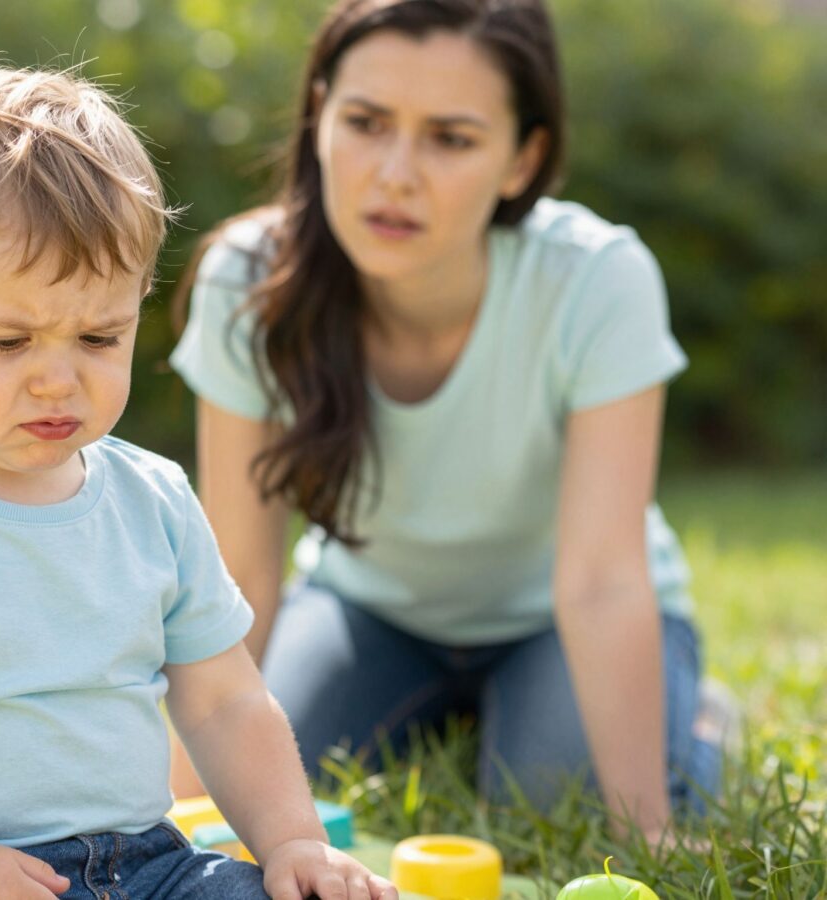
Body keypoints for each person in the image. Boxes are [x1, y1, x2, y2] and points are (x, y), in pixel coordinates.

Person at [0, 66, 397, 900]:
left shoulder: (152, 501)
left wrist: (294, 840)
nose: (59, 379)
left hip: (142, 866)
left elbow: (226, 702)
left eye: (98, 335)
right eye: (9, 343)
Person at [169, 0, 721, 842]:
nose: (395, 174)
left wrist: (645, 827)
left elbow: (602, 582)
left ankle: (700, 724)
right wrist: (182, 814)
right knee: (273, 787)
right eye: (365, 122)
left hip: (555, 615)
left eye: (450, 138)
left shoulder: (598, 279)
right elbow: (240, 571)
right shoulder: (250, 283)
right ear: (319, 117)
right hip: (367, 611)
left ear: (522, 158)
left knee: (551, 809)